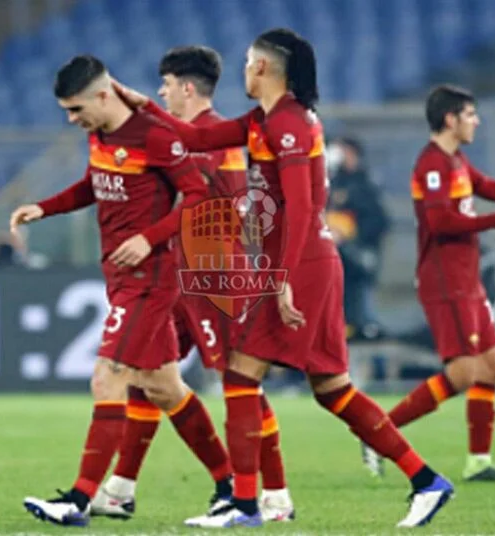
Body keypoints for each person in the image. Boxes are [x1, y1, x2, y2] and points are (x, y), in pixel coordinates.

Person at [114, 28, 454, 529]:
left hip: (304, 267)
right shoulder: (265, 120)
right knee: (332, 389)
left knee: (239, 376)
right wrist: (144, 105)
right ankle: (426, 481)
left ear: (266, 69)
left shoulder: (289, 123)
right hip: (305, 266)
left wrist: (283, 278)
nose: (244, 68)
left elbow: (301, 207)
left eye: (250, 61)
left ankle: (246, 505)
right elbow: (196, 137)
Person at [13, 55, 237, 528]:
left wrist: (149, 237)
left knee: (107, 376)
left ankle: (79, 499)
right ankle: (229, 483)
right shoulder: (101, 136)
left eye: (76, 110)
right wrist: (44, 208)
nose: (73, 121)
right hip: (119, 276)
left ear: (101, 95)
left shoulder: (155, 137)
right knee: (163, 386)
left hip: (150, 279)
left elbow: (197, 196)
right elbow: (96, 184)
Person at [91, 45, 295, 523]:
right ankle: (120, 489)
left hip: (214, 277)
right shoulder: (198, 136)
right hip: (181, 276)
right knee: (147, 374)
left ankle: (275, 494)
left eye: (165, 84)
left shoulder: (209, 138)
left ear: (186, 87)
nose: (161, 91)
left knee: (241, 385)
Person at [360, 84, 495, 482]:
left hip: (467, 280)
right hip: (445, 280)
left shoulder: (455, 162)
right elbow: (440, 223)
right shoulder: (431, 165)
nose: (477, 121)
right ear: (450, 119)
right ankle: (379, 431)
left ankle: (478, 462)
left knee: (490, 366)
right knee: (464, 372)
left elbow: (488, 187)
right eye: (470, 114)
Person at [326, 137, 390, 340]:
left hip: (358, 257)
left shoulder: (364, 185)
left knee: (362, 311)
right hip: (332, 260)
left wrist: (350, 235)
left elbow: (379, 221)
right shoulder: (329, 183)